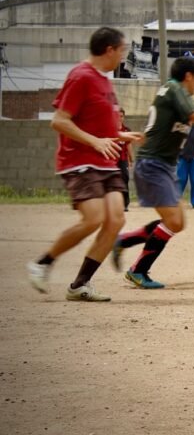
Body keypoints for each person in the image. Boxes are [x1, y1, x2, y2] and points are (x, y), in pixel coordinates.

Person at [26, 27, 142, 301]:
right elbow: (59, 121)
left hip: (105, 160)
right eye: (122, 50)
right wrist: (95, 142)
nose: (123, 56)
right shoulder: (81, 76)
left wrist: (120, 135)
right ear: (109, 50)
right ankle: (42, 263)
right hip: (80, 160)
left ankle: (80, 284)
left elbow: (97, 124)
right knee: (94, 219)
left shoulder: (104, 81)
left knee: (116, 220)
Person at [112, 57, 194, 289]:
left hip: (161, 165)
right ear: (188, 76)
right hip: (153, 165)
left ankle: (125, 241)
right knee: (173, 221)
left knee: (177, 222)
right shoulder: (175, 89)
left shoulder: (173, 92)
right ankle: (137, 269)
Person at [177, 121, 194, 208]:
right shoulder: (181, 131)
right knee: (181, 179)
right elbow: (175, 144)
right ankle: (176, 200)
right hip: (182, 159)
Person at [117, 108, 134, 211]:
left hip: (123, 159)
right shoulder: (111, 129)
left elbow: (129, 145)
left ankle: (125, 203)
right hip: (112, 160)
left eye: (121, 116)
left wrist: (131, 159)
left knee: (125, 178)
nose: (119, 118)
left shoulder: (127, 130)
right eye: (117, 116)